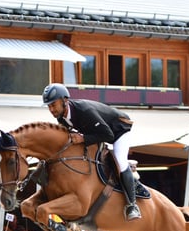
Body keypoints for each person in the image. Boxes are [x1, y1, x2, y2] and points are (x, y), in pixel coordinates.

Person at [42, 82, 141, 221]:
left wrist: (83, 138)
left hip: (118, 131)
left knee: (120, 160)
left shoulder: (84, 111)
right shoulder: (61, 118)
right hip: (98, 133)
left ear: (65, 100)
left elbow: (108, 135)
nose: (51, 109)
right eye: (49, 106)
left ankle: (132, 205)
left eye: (53, 104)